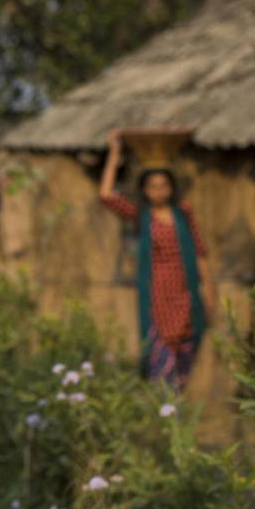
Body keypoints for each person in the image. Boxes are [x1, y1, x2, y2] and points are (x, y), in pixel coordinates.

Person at [98, 129, 216, 391]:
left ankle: (179, 402)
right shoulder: (141, 214)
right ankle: (162, 406)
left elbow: (199, 250)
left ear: (172, 187)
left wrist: (208, 287)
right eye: (153, 186)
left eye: (164, 185)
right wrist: (115, 153)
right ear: (144, 190)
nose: (159, 191)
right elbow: (106, 196)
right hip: (157, 292)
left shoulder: (183, 212)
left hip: (185, 291)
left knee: (187, 345)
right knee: (160, 346)